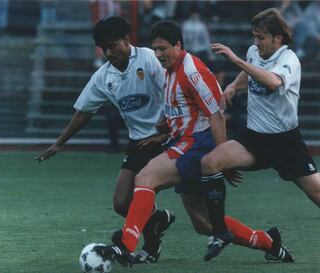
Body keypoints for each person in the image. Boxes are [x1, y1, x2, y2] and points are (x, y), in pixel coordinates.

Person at [94, 20, 294, 267]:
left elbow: (216, 114)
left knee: (146, 177)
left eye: (163, 49)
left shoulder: (192, 70)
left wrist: (222, 159)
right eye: (155, 49)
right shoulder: (170, 70)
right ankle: (269, 242)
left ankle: (126, 245)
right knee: (204, 224)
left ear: (178, 45)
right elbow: (186, 110)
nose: (158, 55)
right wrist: (163, 131)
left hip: (199, 143)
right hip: (183, 141)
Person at [34, 16, 175, 264]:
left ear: (126, 40)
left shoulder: (148, 59)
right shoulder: (103, 76)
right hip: (138, 142)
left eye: (113, 46)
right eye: (104, 48)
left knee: (154, 195)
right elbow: (84, 112)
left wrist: (165, 131)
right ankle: (158, 220)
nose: (109, 53)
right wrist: (59, 143)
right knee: (121, 203)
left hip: (167, 137)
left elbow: (173, 91)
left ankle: (149, 247)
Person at [201, 7, 320, 255]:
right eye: (254, 36)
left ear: (278, 38)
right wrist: (234, 86)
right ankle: (220, 232)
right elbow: (249, 71)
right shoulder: (254, 52)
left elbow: (273, 81)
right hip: (253, 139)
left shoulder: (289, 60)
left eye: (261, 37)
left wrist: (235, 60)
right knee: (210, 162)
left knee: (316, 193)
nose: (256, 42)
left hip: (285, 143)